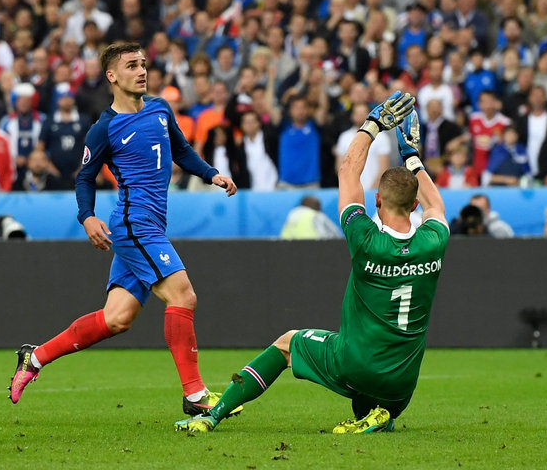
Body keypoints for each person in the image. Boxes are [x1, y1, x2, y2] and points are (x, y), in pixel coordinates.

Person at [175, 91, 450, 434]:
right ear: (414, 207)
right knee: (368, 396)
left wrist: (373, 124)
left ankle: (212, 415)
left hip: (357, 366)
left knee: (287, 343)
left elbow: (349, 169)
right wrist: (411, 156)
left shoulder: (365, 239)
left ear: (377, 199)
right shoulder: (434, 240)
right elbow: (435, 205)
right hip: (402, 384)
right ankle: (382, 416)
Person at [8, 42, 240, 420]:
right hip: (135, 225)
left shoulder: (161, 109)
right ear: (112, 76)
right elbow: (84, 178)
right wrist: (87, 216)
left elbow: (180, 151)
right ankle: (195, 394)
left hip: (149, 223)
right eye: (132, 65)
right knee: (183, 296)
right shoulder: (105, 128)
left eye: (144, 64)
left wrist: (211, 173)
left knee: (117, 318)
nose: (142, 71)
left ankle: (34, 357)